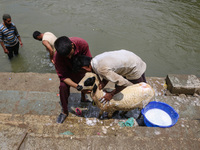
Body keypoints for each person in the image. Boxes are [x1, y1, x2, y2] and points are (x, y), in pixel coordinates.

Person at [73, 49, 147, 103]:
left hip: (133, 67)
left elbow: (123, 82)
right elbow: (108, 70)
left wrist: (111, 94)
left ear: (85, 68)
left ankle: (143, 103)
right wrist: (103, 83)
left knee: (138, 89)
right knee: (143, 82)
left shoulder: (101, 69)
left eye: (82, 71)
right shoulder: (96, 60)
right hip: (131, 57)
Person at [53, 36, 92, 123]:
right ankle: (64, 111)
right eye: (66, 56)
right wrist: (77, 86)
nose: (69, 57)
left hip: (79, 68)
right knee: (63, 86)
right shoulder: (57, 57)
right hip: (67, 72)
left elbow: (88, 62)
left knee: (84, 78)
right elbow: (63, 77)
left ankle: (83, 98)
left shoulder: (82, 44)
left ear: (72, 46)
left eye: (70, 54)